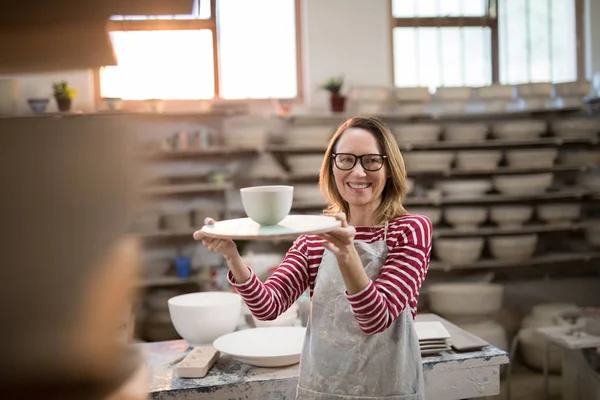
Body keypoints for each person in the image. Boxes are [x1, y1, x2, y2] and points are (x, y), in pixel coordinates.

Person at [194, 116, 432, 399]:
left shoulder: (409, 231)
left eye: (371, 160)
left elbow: (375, 319)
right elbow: (268, 307)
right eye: (346, 160)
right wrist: (232, 256)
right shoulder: (315, 235)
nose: (357, 172)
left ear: (389, 169)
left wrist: (346, 254)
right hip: (322, 390)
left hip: (388, 391)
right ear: (332, 167)